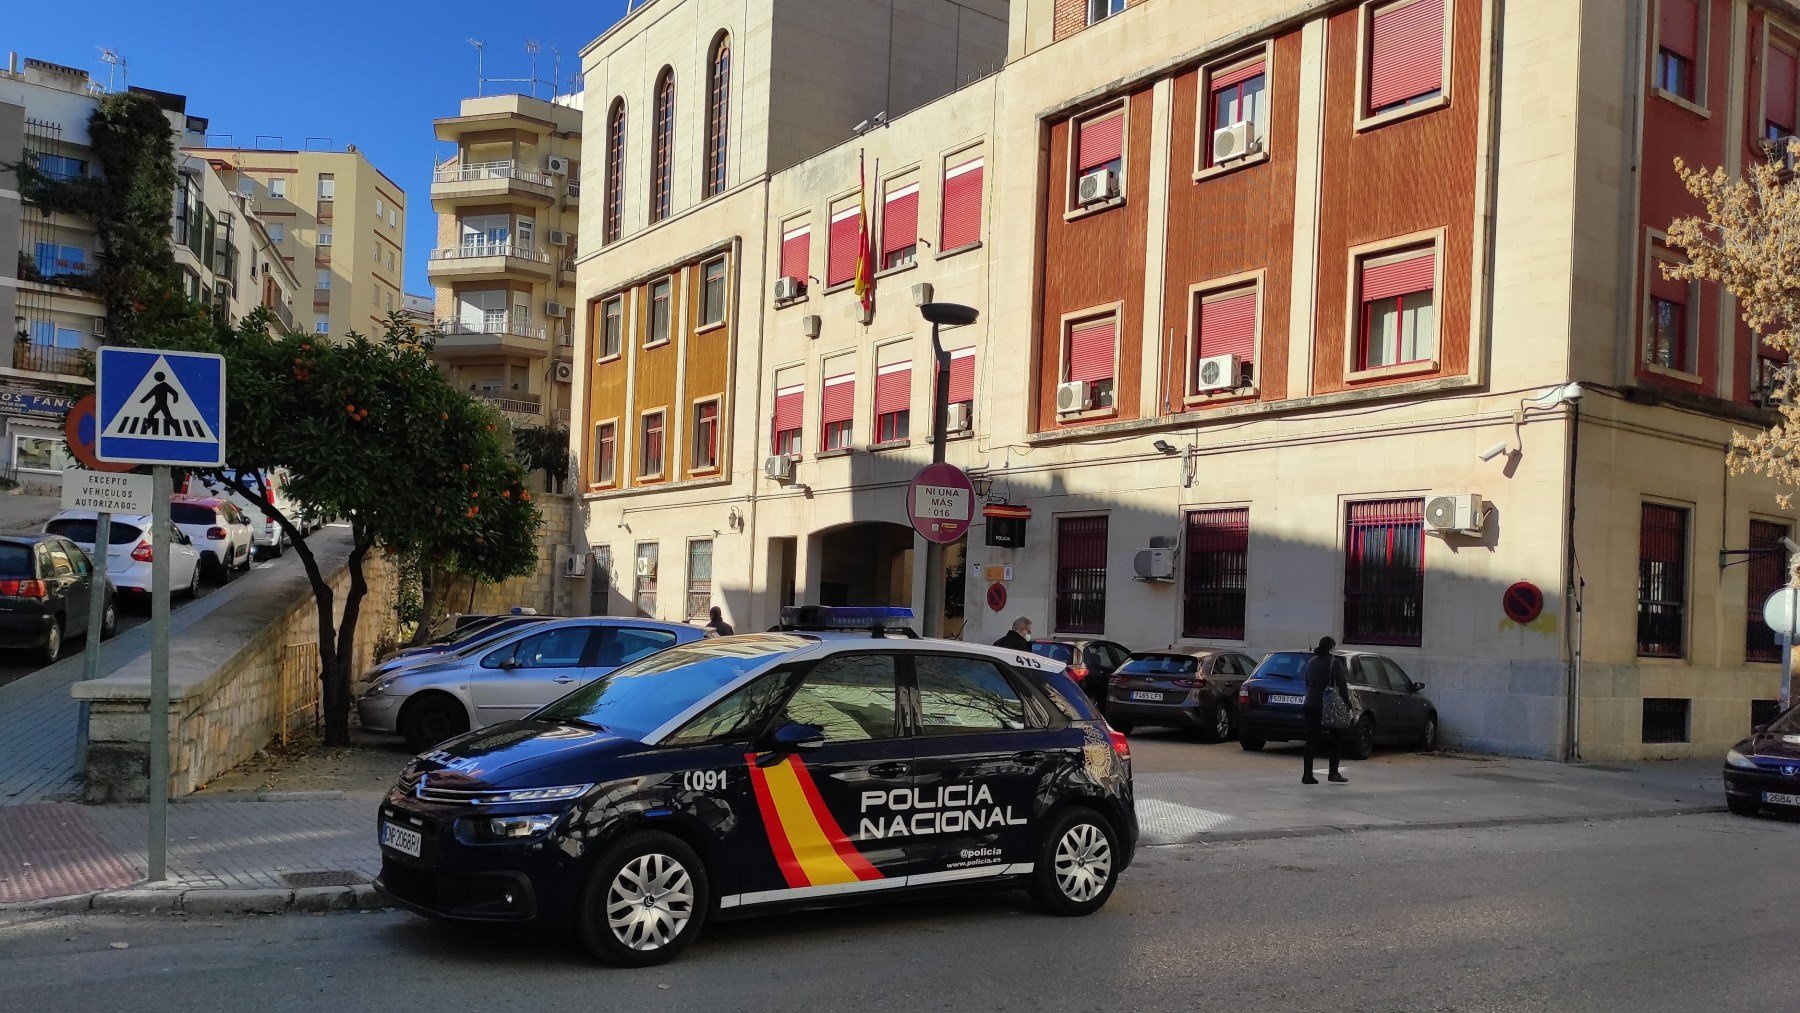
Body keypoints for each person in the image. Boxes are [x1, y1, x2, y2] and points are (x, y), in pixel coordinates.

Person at [1302, 636, 1350, 785]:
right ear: (1331, 648)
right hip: (1328, 705)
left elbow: (1307, 682)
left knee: (1311, 739)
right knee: (1336, 737)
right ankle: (1333, 773)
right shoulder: (1334, 664)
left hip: (1310, 703)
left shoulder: (1310, 663)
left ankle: (1307, 775)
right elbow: (1342, 686)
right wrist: (1347, 705)